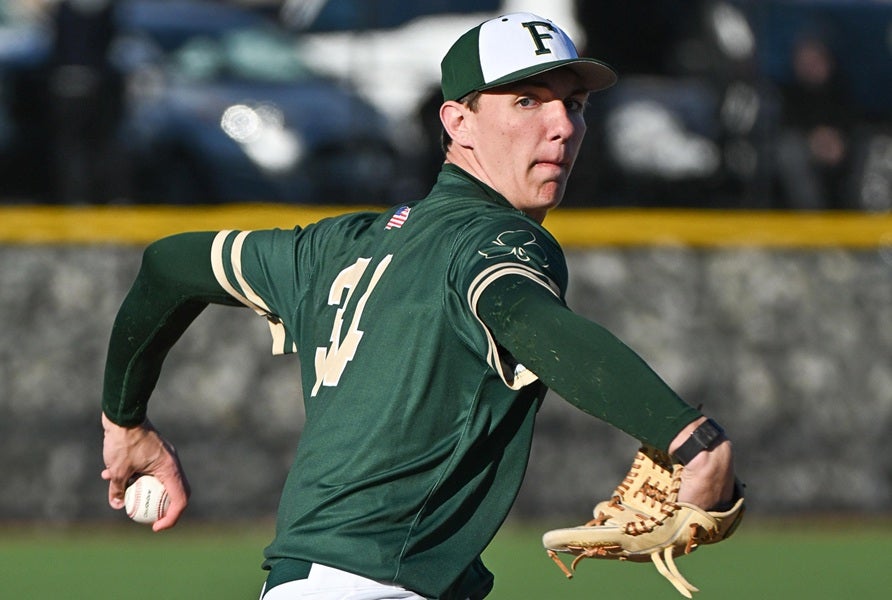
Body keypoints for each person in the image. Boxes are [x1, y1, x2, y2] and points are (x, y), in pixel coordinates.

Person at [100, 13, 737, 600]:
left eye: (573, 104)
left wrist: (125, 422)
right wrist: (689, 438)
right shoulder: (497, 238)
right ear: (457, 122)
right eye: (526, 101)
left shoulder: (332, 247)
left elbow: (169, 265)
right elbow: (529, 319)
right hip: (378, 585)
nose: (563, 126)